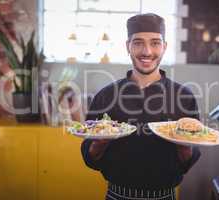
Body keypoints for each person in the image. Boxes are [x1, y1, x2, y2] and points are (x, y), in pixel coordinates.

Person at [81, 13, 201, 200]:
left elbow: (189, 160)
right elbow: (90, 157)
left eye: (155, 43)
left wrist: (184, 146)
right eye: (138, 43)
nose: (147, 51)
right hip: (117, 195)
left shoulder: (184, 97)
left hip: (165, 196)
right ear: (127, 46)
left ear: (164, 47)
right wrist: (99, 144)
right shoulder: (106, 96)